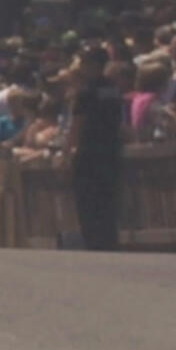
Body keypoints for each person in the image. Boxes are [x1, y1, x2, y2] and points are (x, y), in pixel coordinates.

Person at [65, 48, 128, 251]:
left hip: (89, 150)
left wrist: (67, 150)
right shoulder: (113, 89)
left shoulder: (85, 92)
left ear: (92, 65)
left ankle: (93, 240)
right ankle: (109, 238)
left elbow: (77, 124)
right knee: (108, 196)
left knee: (88, 198)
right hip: (110, 148)